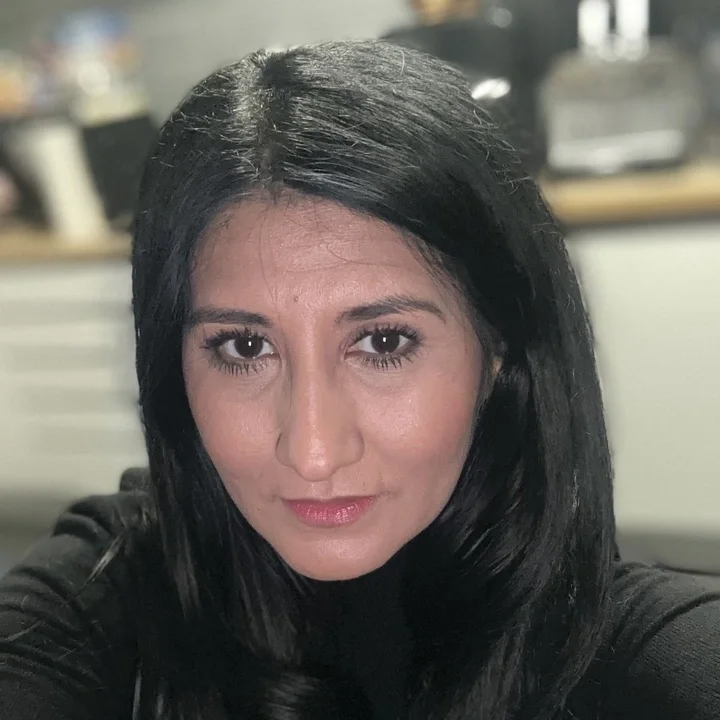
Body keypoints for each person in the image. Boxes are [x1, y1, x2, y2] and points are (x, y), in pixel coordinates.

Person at [0, 41, 718, 720]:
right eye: (245, 347)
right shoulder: (102, 593)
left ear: (499, 343)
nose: (313, 452)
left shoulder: (642, 651)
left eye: (383, 342)